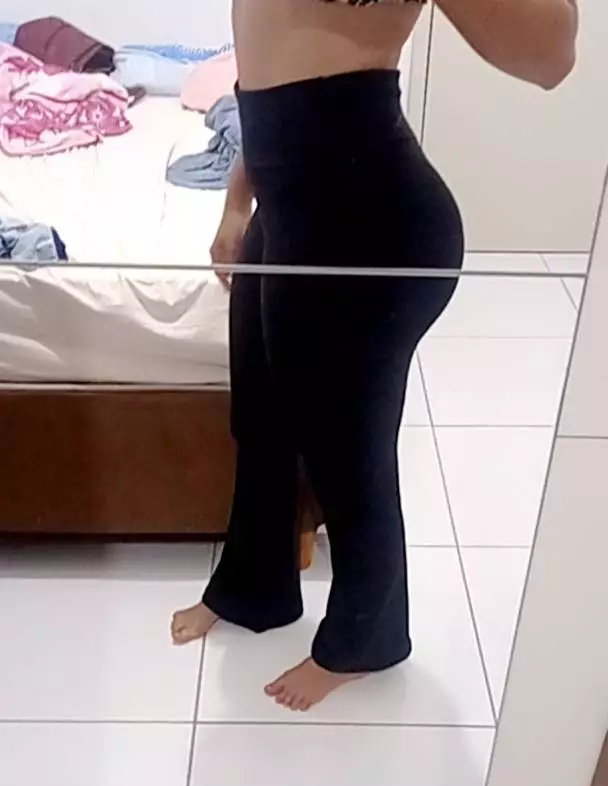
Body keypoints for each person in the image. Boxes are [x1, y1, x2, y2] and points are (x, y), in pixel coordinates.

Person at [172, 0, 578, 711]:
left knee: (345, 452)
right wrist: (238, 203)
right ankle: (253, 586)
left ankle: (368, 637)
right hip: (287, 209)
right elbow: (268, 70)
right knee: (263, 417)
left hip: (369, 220)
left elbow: (552, 58)